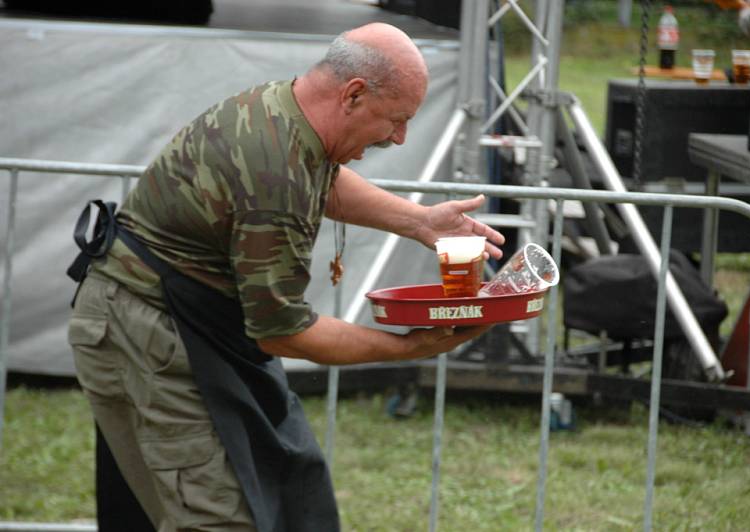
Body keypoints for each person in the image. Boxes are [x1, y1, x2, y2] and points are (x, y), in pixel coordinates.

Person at [67, 22, 504, 532]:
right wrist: (407, 349)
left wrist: (419, 221)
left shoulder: (286, 110)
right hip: (146, 329)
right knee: (220, 519)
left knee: (284, 491)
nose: (399, 137)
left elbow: (322, 177)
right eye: (396, 120)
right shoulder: (274, 174)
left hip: (183, 321)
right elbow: (283, 331)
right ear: (354, 94)